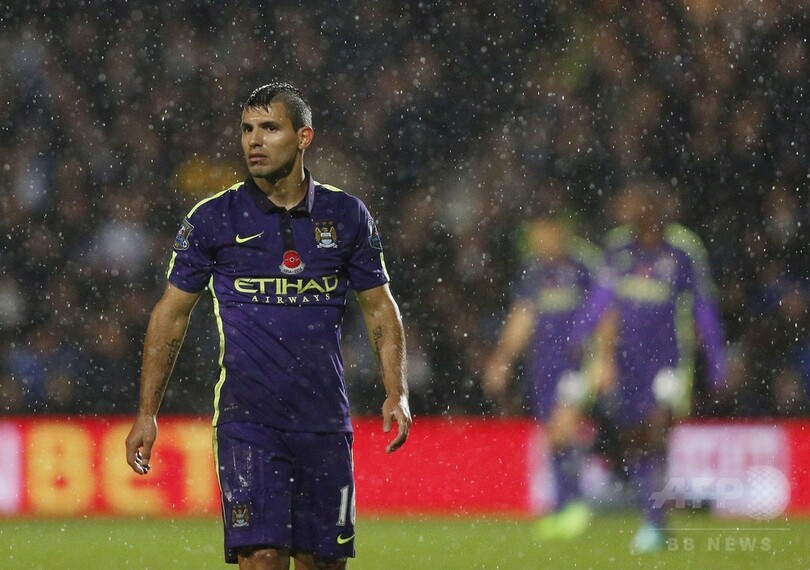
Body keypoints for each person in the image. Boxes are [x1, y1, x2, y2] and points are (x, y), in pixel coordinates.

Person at [125, 82, 412, 570]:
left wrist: (396, 391)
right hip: (248, 422)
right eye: (247, 129)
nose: (254, 140)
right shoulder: (213, 218)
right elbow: (170, 314)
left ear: (303, 137)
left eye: (269, 128)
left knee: (323, 562)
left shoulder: (346, 215)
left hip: (324, 422)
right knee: (261, 558)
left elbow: (380, 308)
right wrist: (147, 412)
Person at [575, 179, 727, 554]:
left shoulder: (683, 250)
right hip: (627, 361)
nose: (629, 212)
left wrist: (717, 359)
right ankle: (653, 514)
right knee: (636, 439)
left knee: (656, 430)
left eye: (636, 205)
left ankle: (655, 522)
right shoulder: (618, 248)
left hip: (668, 360)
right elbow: (601, 298)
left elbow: (703, 307)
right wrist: (579, 335)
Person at [483, 211, 601, 540]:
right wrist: (502, 359)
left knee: (563, 428)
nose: (540, 242)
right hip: (545, 366)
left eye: (544, 235)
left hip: (577, 363)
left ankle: (575, 505)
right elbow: (523, 315)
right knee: (553, 433)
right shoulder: (534, 270)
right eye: (535, 237)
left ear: (559, 232)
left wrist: (602, 359)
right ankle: (563, 507)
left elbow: (606, 311)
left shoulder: (585, 265)